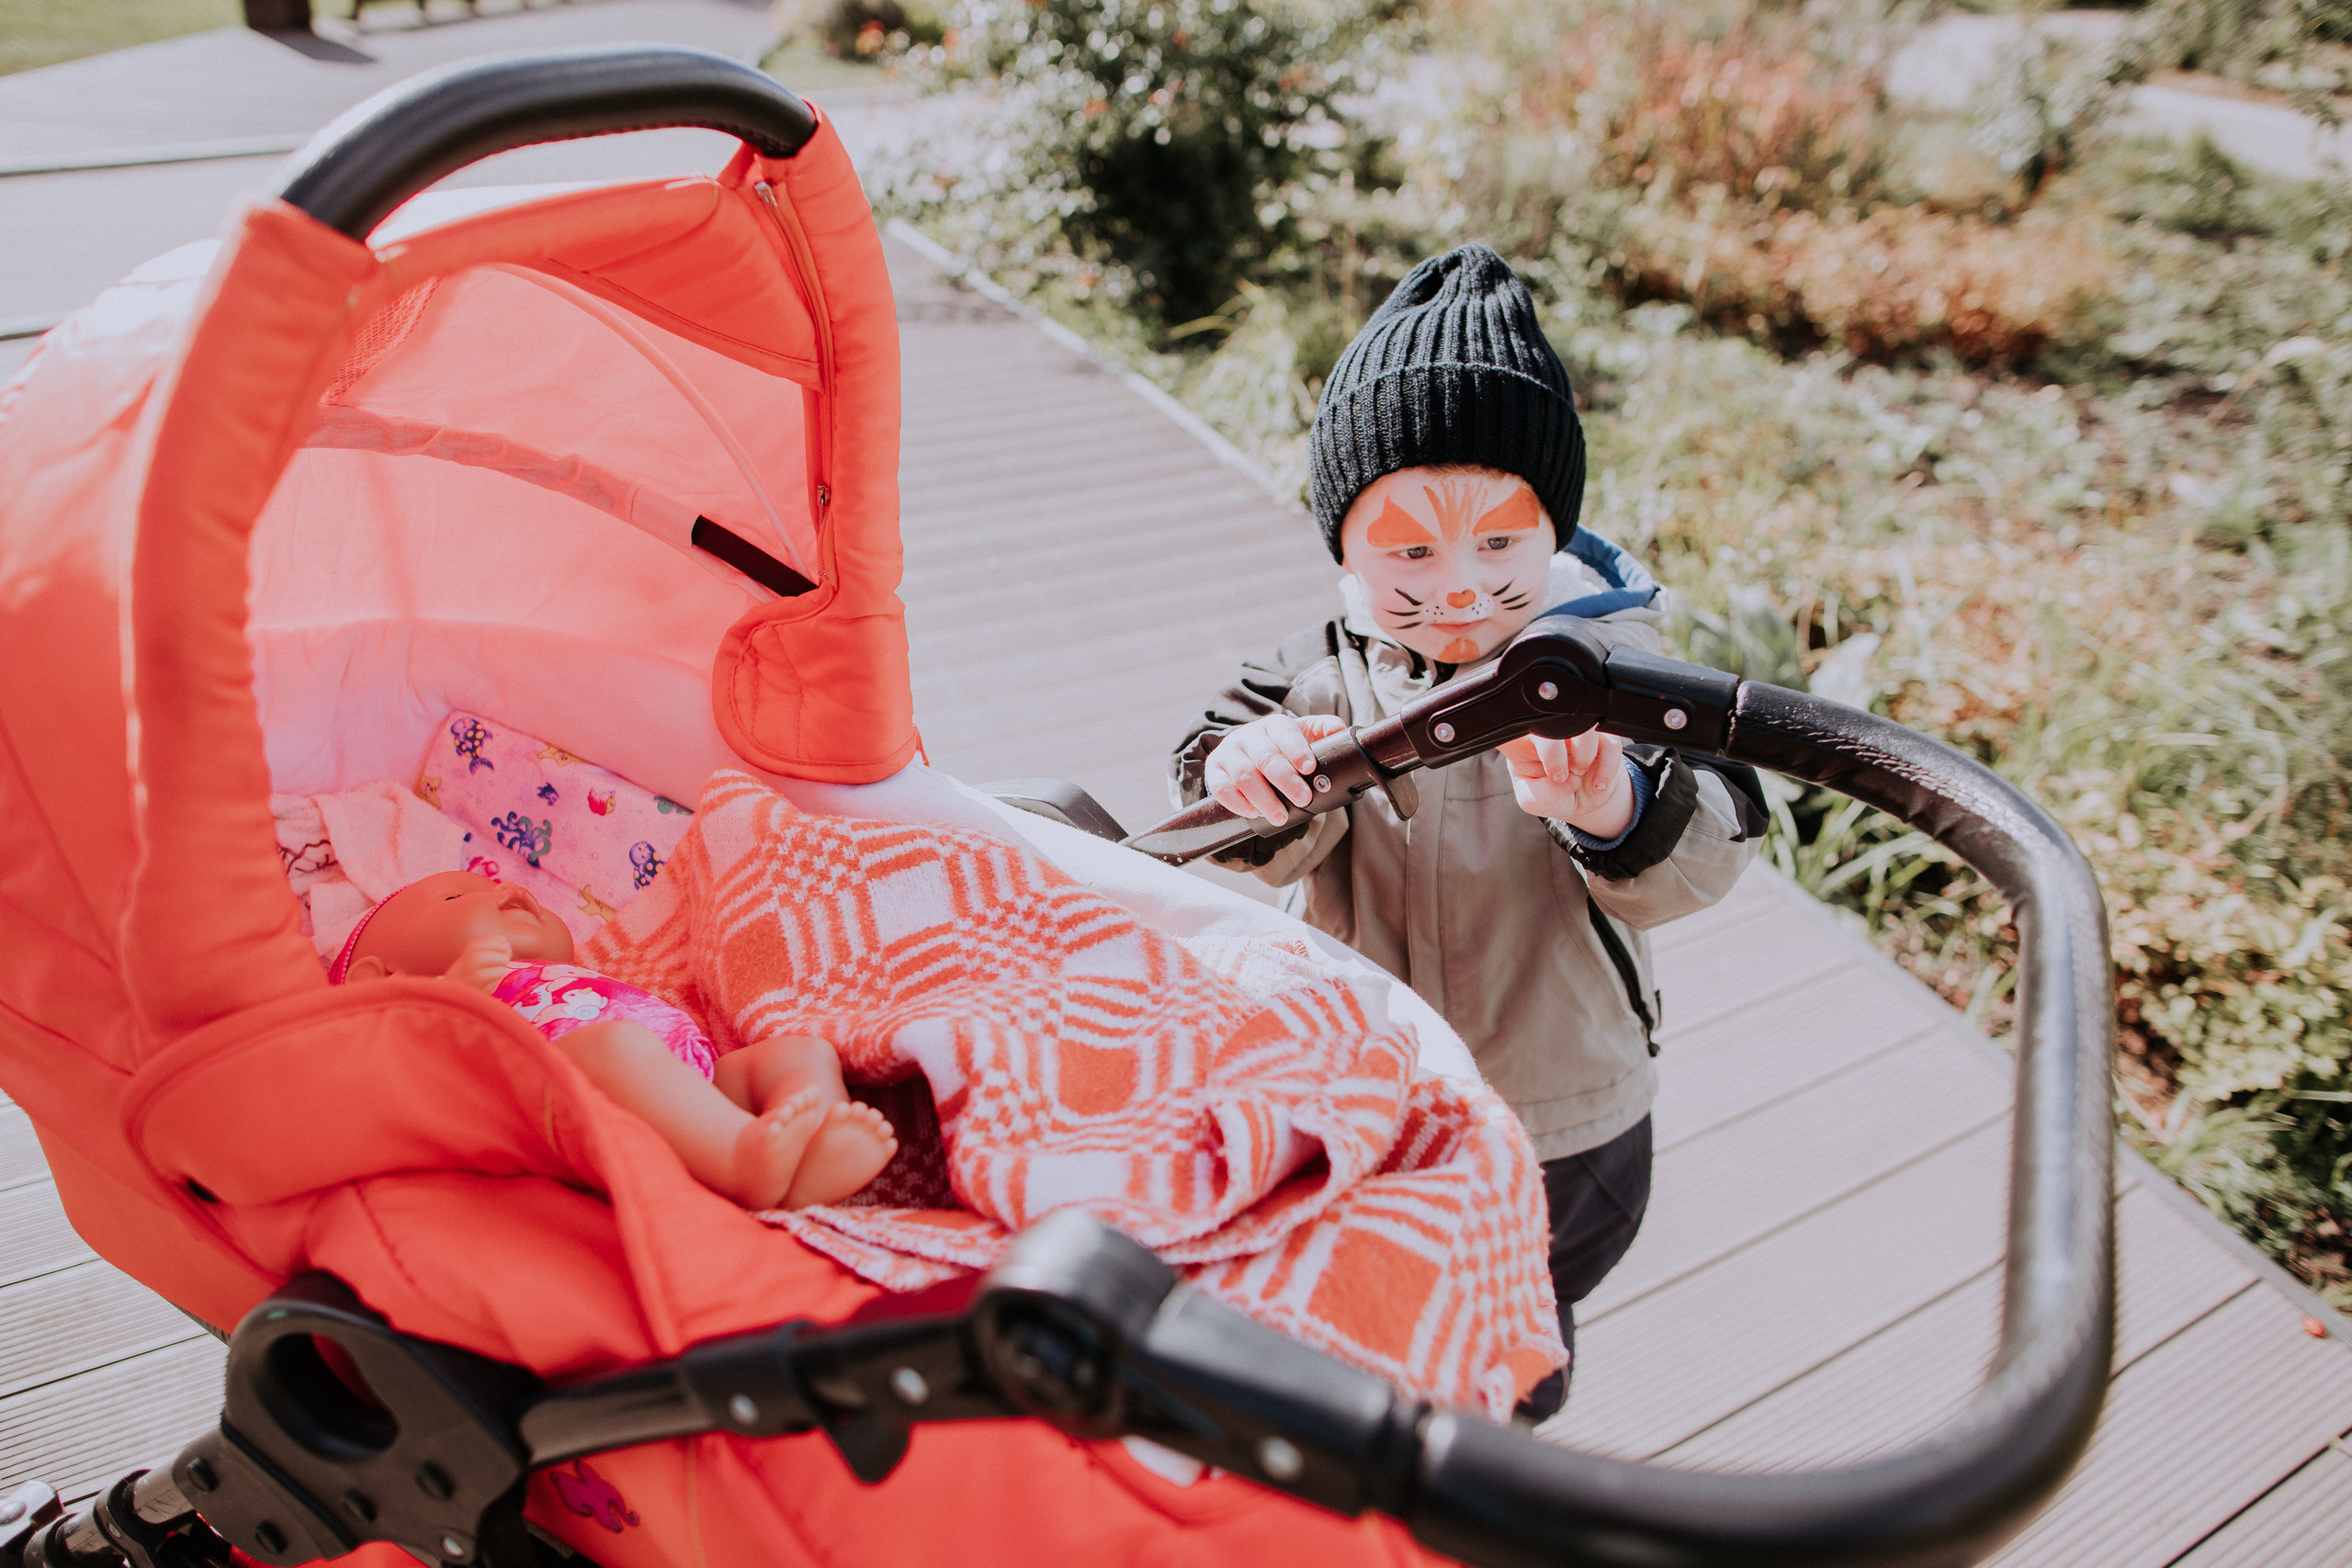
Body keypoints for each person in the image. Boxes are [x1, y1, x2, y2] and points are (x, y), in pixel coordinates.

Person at [1169, 243, 1764, 1418]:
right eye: (1409, 550)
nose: (1456, 588)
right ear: (1343, 546)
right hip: (1362, 1093)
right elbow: (1216, 800)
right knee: (1356, 1300)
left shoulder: (1618, 670)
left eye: (1498, 544)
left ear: (1554, 532)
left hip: (1562, 1110)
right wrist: (1246, 774)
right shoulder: (1316, 677)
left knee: (1513, 1328)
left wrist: (1610, 806)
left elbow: (1715, 840)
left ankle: (1490, 1461)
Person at [332, 870, 898, 1209]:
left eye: (493, 882)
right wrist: (447, 998)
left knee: (799, 1052)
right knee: (615, 1049)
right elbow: (412, 1078)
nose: (506, 888)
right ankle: (741, 1160)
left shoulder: (567, 975)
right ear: (379, 983)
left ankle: (814, 1154)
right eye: (455, 899)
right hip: (575, 1110)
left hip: (687, 1081)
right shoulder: (414, 1020)